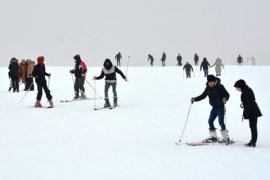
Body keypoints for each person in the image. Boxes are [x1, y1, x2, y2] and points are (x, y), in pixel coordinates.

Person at [191, 75, 231, 143]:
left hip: (221, 107)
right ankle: (213, 137)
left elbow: (227, 94)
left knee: (221, 122)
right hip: (214, 108)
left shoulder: (220, 87)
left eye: (212, 82)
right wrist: (195, 99)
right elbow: (203, 96)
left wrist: (225, 98)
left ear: (215, 81)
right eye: (209, 82)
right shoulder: (208, 88)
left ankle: (226, 138)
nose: (210, 83)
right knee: (210, 121)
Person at [234, 79, 262, 147]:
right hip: (252, 110)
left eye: (237, 88)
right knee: (252, 126)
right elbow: (248, 102)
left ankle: (253, 142)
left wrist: (247, 112)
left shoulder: (247, 91)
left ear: (240, 86)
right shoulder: (246, 90)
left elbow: (249, 102)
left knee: (253, 127)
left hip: (253, 111)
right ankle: (253, 141)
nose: (236, 89)